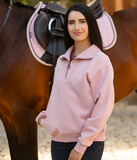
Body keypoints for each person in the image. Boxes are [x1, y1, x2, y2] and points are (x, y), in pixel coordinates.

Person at [36, 3, 114, 160]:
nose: (76, 27)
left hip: (88, 144)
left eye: (82, 21)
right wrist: (47, 118)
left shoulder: (100, 61)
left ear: (90, 24)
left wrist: (81, 147)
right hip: (58, 143)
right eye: (71, 22)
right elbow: (57, 97)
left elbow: (103, 107)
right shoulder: (62, 61)